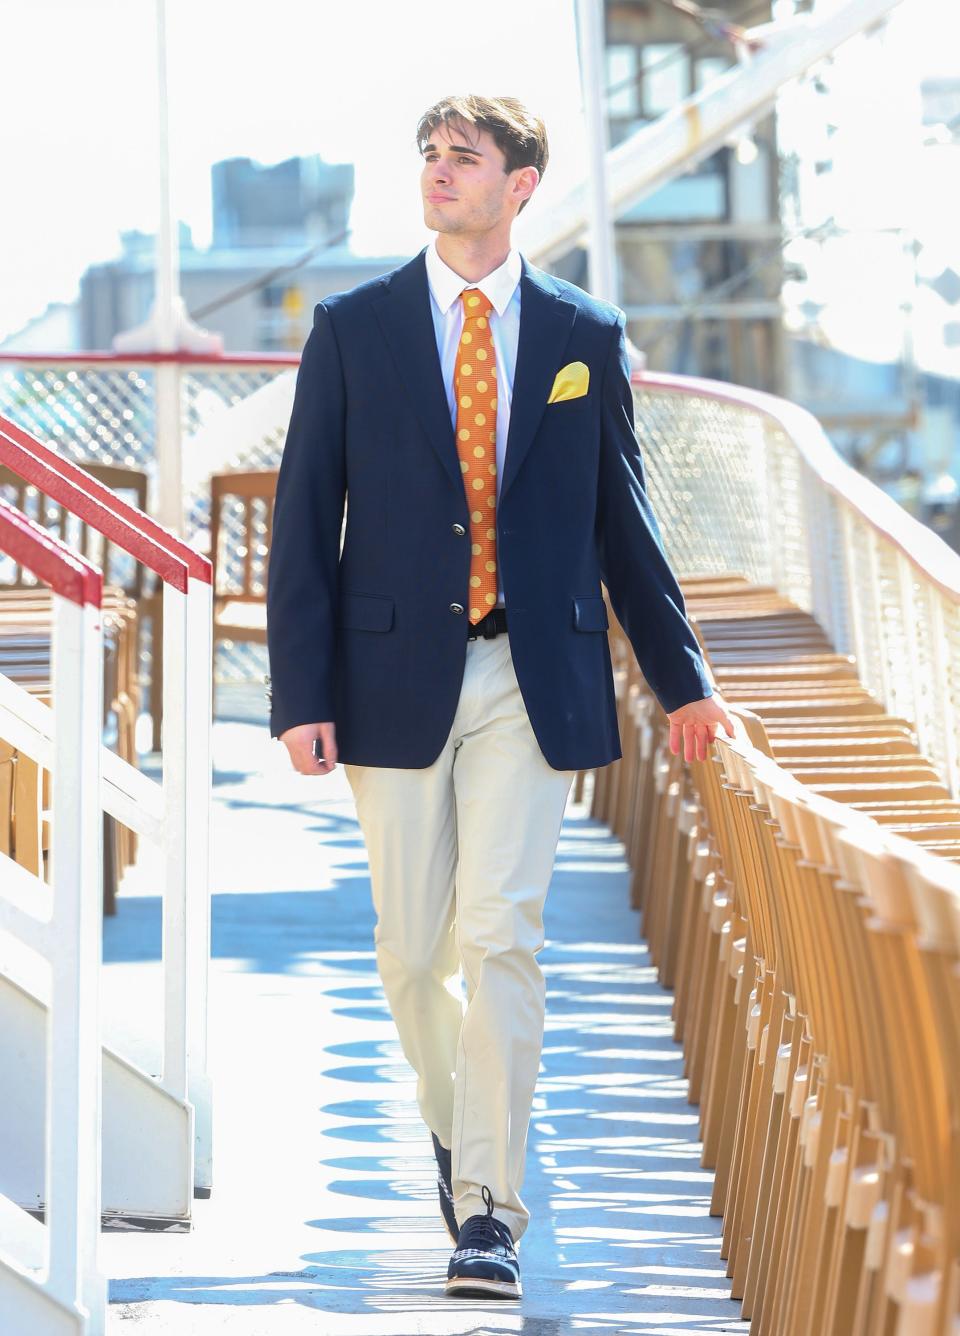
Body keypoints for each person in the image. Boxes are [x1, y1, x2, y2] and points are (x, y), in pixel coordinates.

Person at [266, 93, 733, 1301]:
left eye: (463, 157)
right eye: (427, 153)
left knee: (501, 937)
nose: (438, 171)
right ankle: (455, 1121)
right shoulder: (356, 328)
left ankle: (489, 1205)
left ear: (521, 183)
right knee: (412, 953)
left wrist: (686, 682)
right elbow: (304, 521)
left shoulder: (584, 332)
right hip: (387, 680)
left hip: (535, 673)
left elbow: (620, 520)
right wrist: (298, 693)